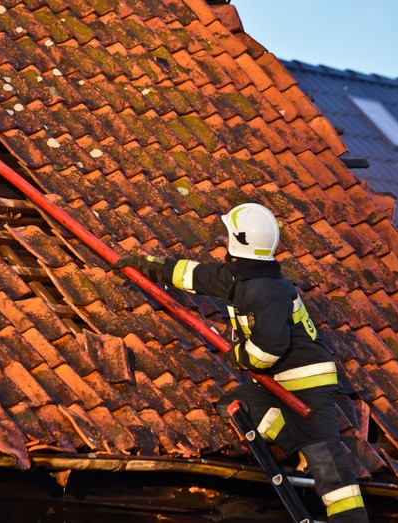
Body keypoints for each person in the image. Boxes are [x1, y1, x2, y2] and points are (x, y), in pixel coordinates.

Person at [113, 202, 369, 523]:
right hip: (277, 382)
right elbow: (195, 274)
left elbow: (271, 349)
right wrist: (150, 265)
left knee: (328, 467)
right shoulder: (242, 276)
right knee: (236, 406)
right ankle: (295, 445)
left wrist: (239, 355)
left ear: (238, 240)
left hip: (309, 383)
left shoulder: (267, 290)